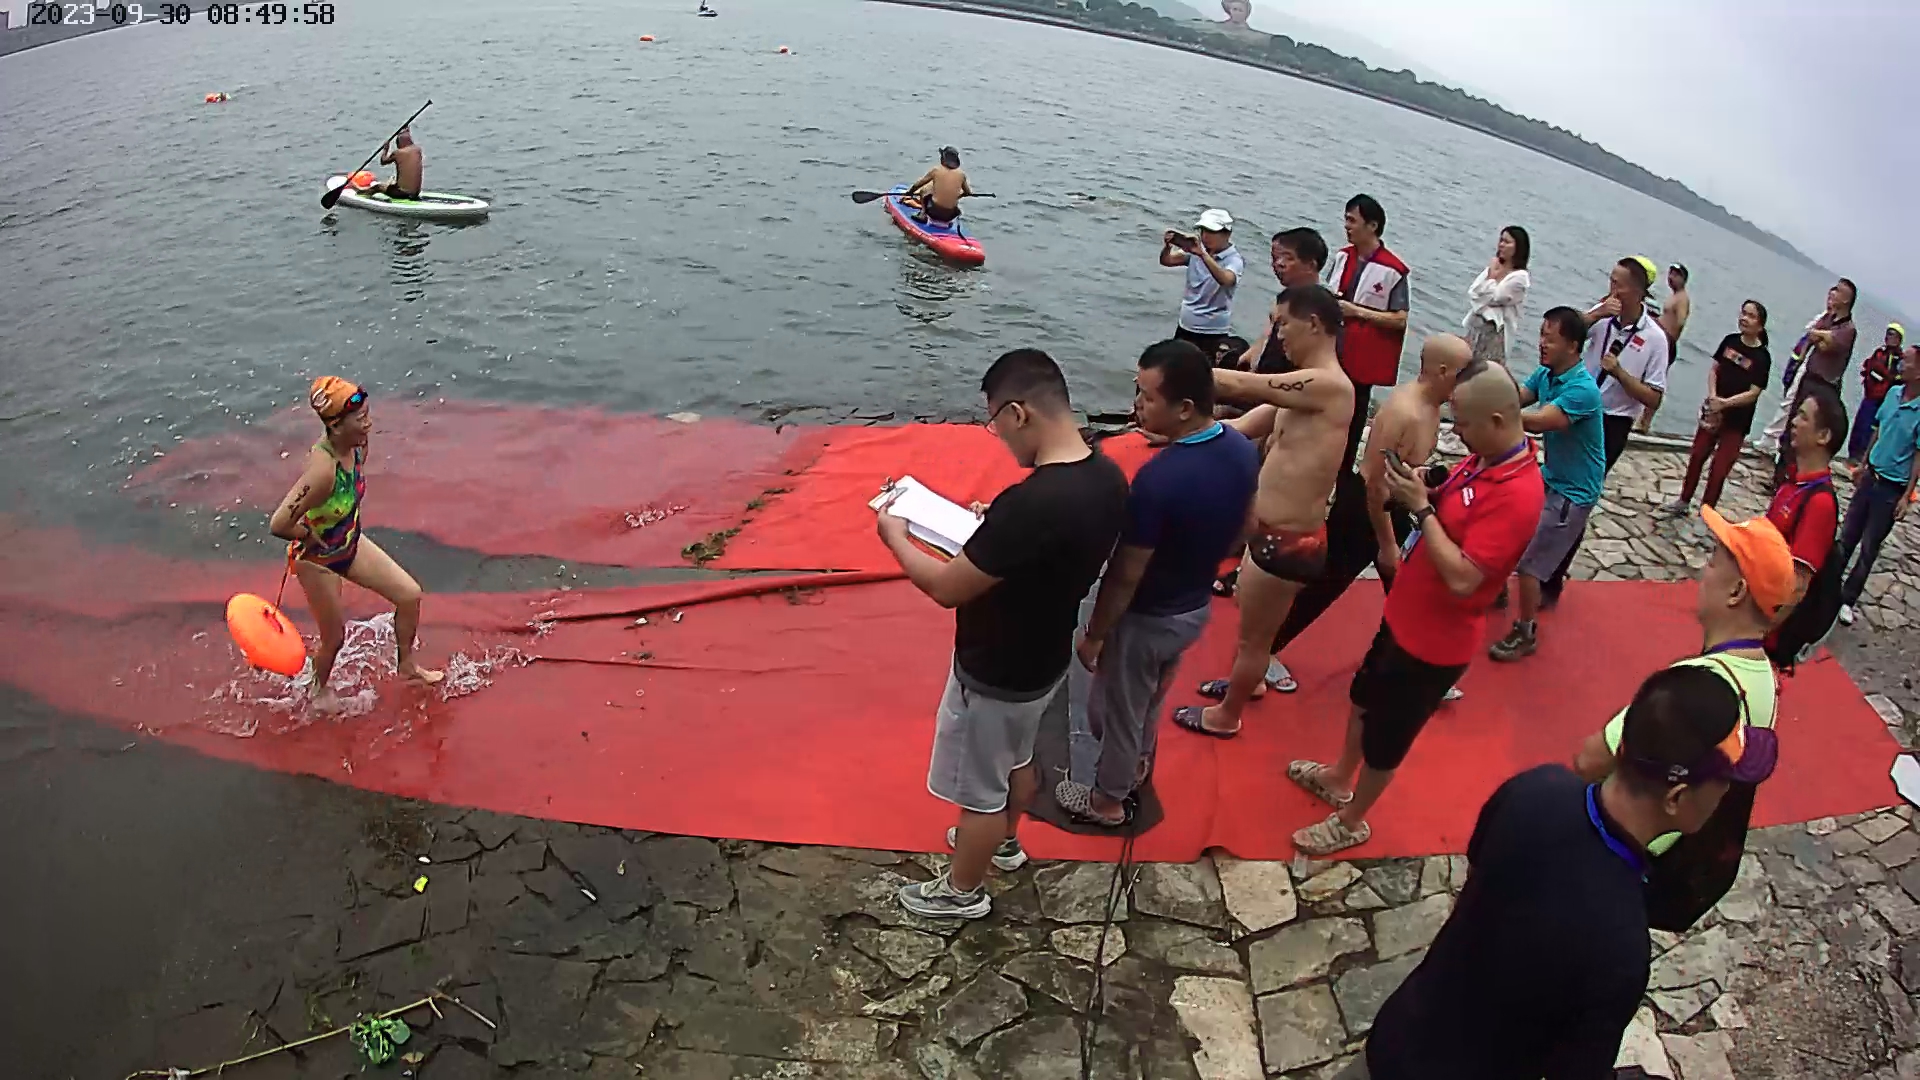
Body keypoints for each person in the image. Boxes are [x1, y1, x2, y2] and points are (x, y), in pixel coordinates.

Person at [1346, 666, 1756, 1080]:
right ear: (1676, 797)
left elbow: (1478, 883)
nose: (1726, 793)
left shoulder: (1533, 789)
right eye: (1724, 781)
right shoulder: (1621, 944)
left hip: (1396, 1040)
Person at [881, 349, 1128, 919]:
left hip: (996, 666)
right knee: (1017, 758)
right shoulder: (1106, 476)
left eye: (996, 423)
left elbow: (947, 588)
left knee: (980, 790)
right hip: (1045, 655)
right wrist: (996, 525)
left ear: (1019, 413)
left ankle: (961, 891)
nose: (999, 437)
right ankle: (1006, 844)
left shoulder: (1033, 503)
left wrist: (895, 536)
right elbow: (1047, 542)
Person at [1287, 361, 1545, 855]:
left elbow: (1466, 576)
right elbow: (1455, 507)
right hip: (1405, 613)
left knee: (1388, 735)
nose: (1456, 433)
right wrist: (1428, 486)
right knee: (1364, 695)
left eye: (1463, 424)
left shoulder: (1518, 494)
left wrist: (1420, 508)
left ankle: (1352, 820)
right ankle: (1338, 776)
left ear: (1496, 420)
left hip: (1435, 642)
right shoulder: (1486, 459)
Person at [1054, 341, 1258, 826]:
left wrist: (1096, 633)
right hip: (1193, 606)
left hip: (1148, 616)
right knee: (1149, 698)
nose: (1137, 405)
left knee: (1118, 710)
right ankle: (1138, 764)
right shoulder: (1239, 448)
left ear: (1184, 408)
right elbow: (1246, 527)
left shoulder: (1159, 480)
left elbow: (1127, 573)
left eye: (1147, 397)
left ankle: (1107, 800)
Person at [1201, 336, 1469, 704]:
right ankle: (1266, 650)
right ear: (1442, 371)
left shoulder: (1432, 407)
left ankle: (1419, 666)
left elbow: (1400, 470)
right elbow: (1373, 482)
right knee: (1324, 584)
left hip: (1397, 506)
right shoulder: (1404, 411)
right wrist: (1387, 544)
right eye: (1463, 373)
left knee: (1408, 592)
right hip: (1366, 510)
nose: (1467, 381)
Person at [1571, 509, 1788, 931]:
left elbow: (1589, 760)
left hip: (1633, 850)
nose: (1702, 573)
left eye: (1713, 562)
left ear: (1737, 592)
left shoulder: (1695, 685)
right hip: (1678, 855)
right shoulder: (1764, 678)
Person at [1174, 285, 1353, 738]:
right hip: (1269, 531)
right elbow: (1239, 425)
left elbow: (1239, 384)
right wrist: (1177, 435)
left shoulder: (1330, 385)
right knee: (1250, 628)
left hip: (1288, 541)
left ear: (1314, 324)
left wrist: (1172, 369)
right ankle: (1245, 684)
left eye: (1283, 323)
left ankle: (1226, 717)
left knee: (1255, 640)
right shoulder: (1303, 391)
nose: (1278, 335)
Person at [268, 378, 444, 710]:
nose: (369, 423)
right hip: (317, 560)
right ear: (335, 425)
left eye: (367, 414)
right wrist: (306, 536)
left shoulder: (357, 446)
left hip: (350, 544)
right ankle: (316, 694)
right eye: (360, 418)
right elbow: (279, 523)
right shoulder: (323, 471)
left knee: (409, 595)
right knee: (334, 638)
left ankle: (407, 665)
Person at [1534, 257, 1671, 606]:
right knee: (1551, 482)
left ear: (1637, 291)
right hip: (1573, 405)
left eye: (1618, 283)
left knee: (1577, 497)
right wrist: (1596, 314)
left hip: (1611, 421)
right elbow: (1565, 332)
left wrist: (1620, 373)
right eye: (1611, 280)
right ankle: (1534, 562)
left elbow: (1654, 397)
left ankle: (1551, 579)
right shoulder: (1600, 318)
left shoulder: (1655, 339)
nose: (1612, 288)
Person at [1488, 308, 1607, 662]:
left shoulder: (1583, 390)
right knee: (1508, 527)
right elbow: (1518, 398)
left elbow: (1541, 421)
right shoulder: (1547, 373)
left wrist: (1493, 414)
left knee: (1531, 566)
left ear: (1573, 346)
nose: (1542, 343)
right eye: (1542, 335)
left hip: (1574, 492)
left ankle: (1526, 632)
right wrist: (1489, 383)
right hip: (1550, 477)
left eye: (1550, 339)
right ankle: (1497, 591)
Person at [1762, 384, 1846, 670]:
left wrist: (1757, 633)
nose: (1794, 422)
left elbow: (1797, 586)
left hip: (1767, 638)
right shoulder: (1793, 482)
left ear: (1823, 436)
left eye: (1804, 417)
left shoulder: (1819, 503)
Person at [1836, 345, 1920, 628]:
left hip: (1891, 489)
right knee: (1847, 536)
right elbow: (1877, 429)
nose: (1901, 364)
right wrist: (1862, 464)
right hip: (1871, 476)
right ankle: (1828, 586)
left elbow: (1918, 456)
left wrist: (1906, 496)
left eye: (1908, 361)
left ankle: (1848, 599)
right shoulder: (1893, 393)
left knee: (1869, 547)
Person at [1665, 300, 1773, 514]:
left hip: (1737, 421)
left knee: (1719, 469)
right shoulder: (1730, 341)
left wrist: (1726, 403)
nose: (1744, 318)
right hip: (1713, 413)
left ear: (1760, 325)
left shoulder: (1762, 357)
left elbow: (1754, 392)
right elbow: (1715, 369)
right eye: (1743, 313)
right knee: (1697, 456)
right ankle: (1683, 500)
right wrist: (1714, 397)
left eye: (1751, 316)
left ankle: (1707, 511)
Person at [1763, 279, 1859, 472]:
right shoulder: (1829, 319)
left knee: (1809, 428)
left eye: (1838, 291)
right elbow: (1813, 335)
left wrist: (1820, 336)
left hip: (1825, 384)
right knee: (1793, 420)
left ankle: (1796, 470)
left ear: (1846, 300)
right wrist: (1820, 336)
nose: (1833, 293)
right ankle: (1781, 469)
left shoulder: (1848, 329)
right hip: (1809, 376)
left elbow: (1826, 343)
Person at [1326, 194, 1410, 393]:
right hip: (1331, 346)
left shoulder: (1393, 270)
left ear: (1372, 226)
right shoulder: (1343, 256)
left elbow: (1400, 320)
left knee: (1357, 401)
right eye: (1346, 219)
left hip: (1362, 356)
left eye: (1352, 221)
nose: (1346, 226)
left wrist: (1356, 311)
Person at [1160, 209, 1244, 359]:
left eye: (1211, 232)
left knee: (1203, 370)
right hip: (1186, 325)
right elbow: (1167, 260)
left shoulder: (1233, 260)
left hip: (1212, 331)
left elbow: (1226, 280)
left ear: (1227, 234)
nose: (1206, 236)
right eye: (1203, 231)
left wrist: (1202, 254)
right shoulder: (1196, 250)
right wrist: (1168, 246)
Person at [1461, 225, 1530, 363]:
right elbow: (1473, 293)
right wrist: (1491, 281)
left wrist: (1492, 277)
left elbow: (1497, 297)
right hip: (1476, 329)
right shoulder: (1494, 266)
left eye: (1507, 242)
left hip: (1496, 333)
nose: (1501, 245)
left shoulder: (1520, 277)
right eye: (1501, 240)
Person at [1637, 262, 1692, 432]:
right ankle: (1641, 419)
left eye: (1675, 275)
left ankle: (1645, 422)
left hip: (1668, 343)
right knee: (1645, 377)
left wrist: (1667, 336)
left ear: (1683, 279)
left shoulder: (1682, 298)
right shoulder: (1673, 296)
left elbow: (1680, 321)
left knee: (1655, 383)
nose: (1671, 278)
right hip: (1662, 341)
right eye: (1670, 274)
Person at [1851, 323, 1906, 463]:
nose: (1888, 337)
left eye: (1892, 334)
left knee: (1871, 430)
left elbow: (1899, 380)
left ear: (1899, 339)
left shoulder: (1900, 360)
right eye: (1888, 333)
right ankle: (1853, 456)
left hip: (1882, 400)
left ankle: (1863, 459)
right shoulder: (1880, 352)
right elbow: (1868, 367)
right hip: (1870, 396)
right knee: (1860, 425)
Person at [904, 146, 972, 224]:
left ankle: (923, 214)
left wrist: (910, 192)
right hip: (951, 215)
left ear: (943, 158)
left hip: (933, 212)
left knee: (924, 190)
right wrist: (957, 196)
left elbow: (918, 185)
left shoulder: (936, 170)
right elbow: (968, 193)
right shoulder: (962, 175)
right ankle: (947, 221)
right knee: (952, 194)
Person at [371, 127, 423, 201]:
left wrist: (385, 149)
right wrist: (406, 130)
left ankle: (361, 195)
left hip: (402, 193)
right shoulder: (417, 150)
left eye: (397, 143)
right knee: (392, 185)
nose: (397, 146)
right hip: (416, 193)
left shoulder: (398, 153)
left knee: (378, 187)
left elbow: (383, 161)